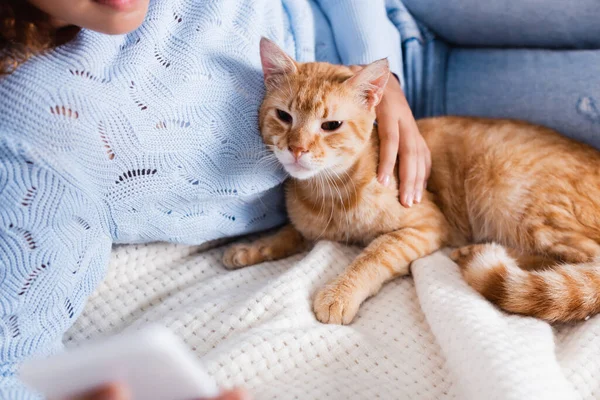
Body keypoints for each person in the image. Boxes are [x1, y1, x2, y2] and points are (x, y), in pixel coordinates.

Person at [2, 0, 600, 399]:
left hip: (395, 23)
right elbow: (16, 355)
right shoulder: (34, 139)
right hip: (437, 107)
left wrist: (378, 84)